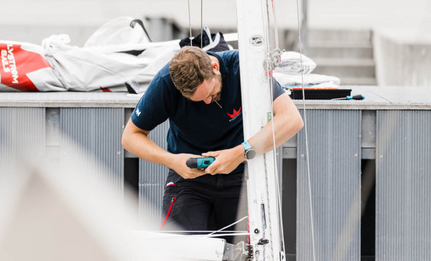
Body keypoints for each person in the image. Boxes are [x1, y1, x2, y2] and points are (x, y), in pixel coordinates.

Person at [121, 46, 303, 233]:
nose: (208, 102)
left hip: (241, 173)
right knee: (179, 250)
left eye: (211, 93)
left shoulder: (243, 67)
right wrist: (173, 161)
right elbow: (130, 137)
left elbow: (292, 119)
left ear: (215, 66)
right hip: (189, 177)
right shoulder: (165, 82)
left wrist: (240, 153)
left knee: (246, 255)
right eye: (198, 100)